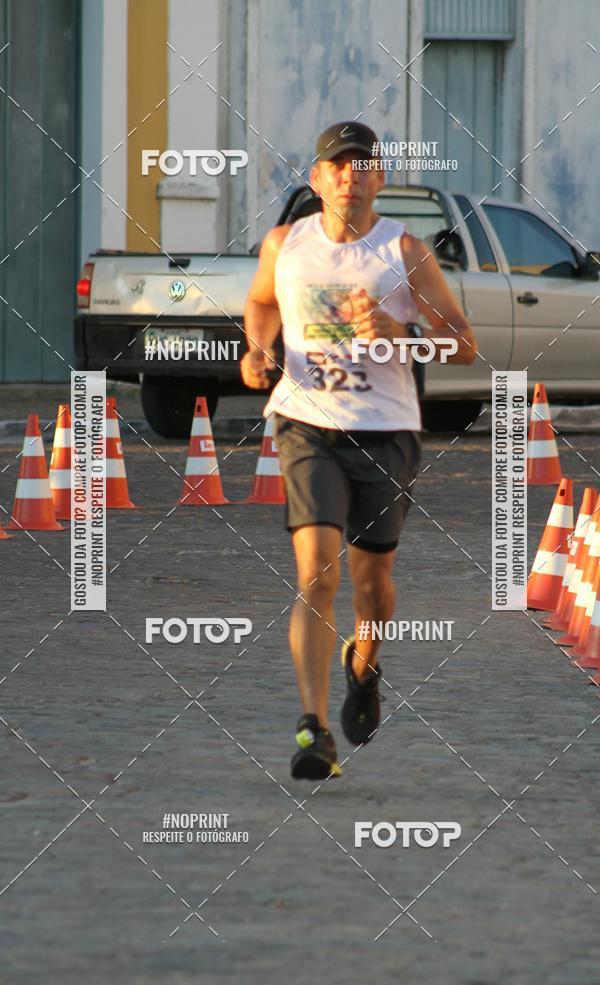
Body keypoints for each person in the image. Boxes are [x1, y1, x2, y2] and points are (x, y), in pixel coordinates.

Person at [241, 121, 477, 780]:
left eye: (363, 165)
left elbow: (462, 343)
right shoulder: (285, 245)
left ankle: (365, 661)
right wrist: (258, 351)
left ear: (379, 178)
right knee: (317, 569)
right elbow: (261, 306)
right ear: (317, 179)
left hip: (386, 431)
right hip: (305, 423)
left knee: (373, 588)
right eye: (337, 166)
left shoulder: (403, 251)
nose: (351, 176)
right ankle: (313, 728)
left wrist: (403, 332)